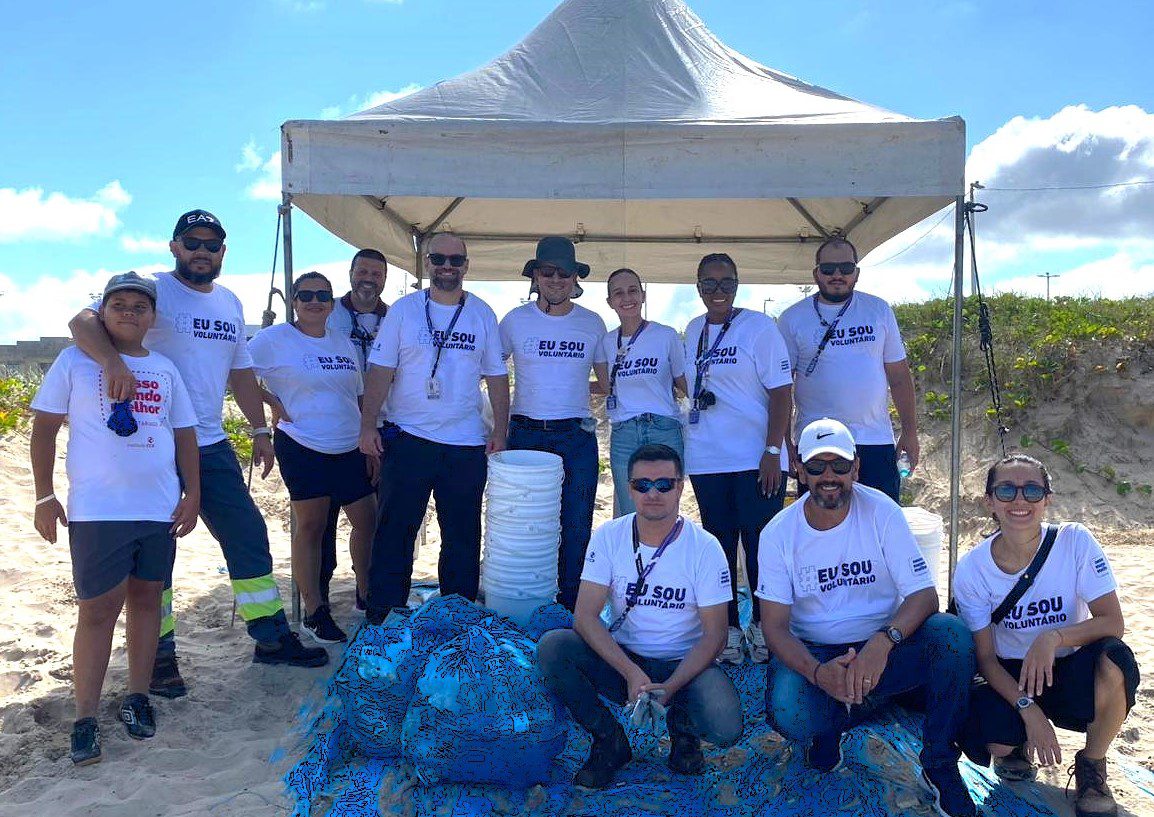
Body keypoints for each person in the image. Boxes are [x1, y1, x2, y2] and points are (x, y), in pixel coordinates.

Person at [68, 209, 328, 701]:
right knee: (159, 556)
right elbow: (82, 319)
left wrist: (258, 429)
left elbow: (242, 372)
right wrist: (111, 360)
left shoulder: (230, 301)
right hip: (151, 446)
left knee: (248, 534)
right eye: (192, 242)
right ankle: (160, 657)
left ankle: (270, 638)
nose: (201, 251)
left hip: (209, 442)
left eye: (212, 244)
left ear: (223, 253)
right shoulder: (154, 289)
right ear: (174, 246)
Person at [757, 418, 977, 817]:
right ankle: (836, 721)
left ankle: (939, 762)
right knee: (790, 710)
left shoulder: (882, 511)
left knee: (953, 635)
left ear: (856, 468)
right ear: (800, 470)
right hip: (820, 651)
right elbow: (773, 626)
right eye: (818, 465)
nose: (829, 476)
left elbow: (924, 595)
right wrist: (817, 673)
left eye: (840, 466)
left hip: (886, 643)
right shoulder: (777, 533)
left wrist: (883, 641)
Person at [31, 272, 200, 765]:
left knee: (148, 600)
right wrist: (44, 496)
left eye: (139, 306)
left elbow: (185, 434)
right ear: (102, 312)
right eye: (118, 304)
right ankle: (85, 717)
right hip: (98, 510)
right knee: (98, 609)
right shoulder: (74, 361)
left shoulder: (165, 368)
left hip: (157, 506)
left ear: (153, 317)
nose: (129, 312)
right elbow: (43, 431)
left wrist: (192, 494)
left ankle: (138, 697)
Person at [537, 444, 742, 789]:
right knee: (553, 648)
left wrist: (672, 686)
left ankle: (683, 729)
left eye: (664, 484)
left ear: (680, 487)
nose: (653, 494)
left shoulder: (704, 547)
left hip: (684, 664)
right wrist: (630, 672)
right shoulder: (608, 536)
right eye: (642, 485)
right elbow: (585, 617)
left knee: (726, 726)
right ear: (628, 488)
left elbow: (716, 636)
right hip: (626, 660)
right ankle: (609, 740)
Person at [953, 454, 1140, 817]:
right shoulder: (972, 569)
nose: (1019, 501)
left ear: (1047, 498)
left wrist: (1053, 637)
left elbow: (1112, 621)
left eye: (1032, 490)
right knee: (996, 740)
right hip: (1011, 673)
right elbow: (986, 658)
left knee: (1116, 658)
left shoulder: (1075, 542)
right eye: (1006, 490)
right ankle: (1018, 745)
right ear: (989, 501)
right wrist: (1028, 709)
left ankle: (1092, 764)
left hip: (1067, 665)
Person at [359, 233, 509, 623]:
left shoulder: (482, 313)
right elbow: (380, 370)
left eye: (455, 260)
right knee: (395, 530)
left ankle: (457, 615)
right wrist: (367, 426)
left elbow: (497, 376)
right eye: (439, 258)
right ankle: (382, 615)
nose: (447, 266)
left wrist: (501, 432)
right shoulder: (405, 311)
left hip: (464, 443)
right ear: (427, 263)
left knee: (461, 535)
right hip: (408, 437)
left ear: (466, 265)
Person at [249, 272, 376, 644]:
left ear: (333, 302)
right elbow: (237, 373)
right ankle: (315, 611)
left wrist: (368, 439)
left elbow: (358, 396)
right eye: (305, 295)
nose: (314, 301)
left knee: (368, 521)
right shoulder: (273, 340)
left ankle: (366, 598)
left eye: (322, 295)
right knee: (311, 528)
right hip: (303, 444)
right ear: (293, 300)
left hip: (349, 445)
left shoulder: (343, 343)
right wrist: (271, 404)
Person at [682, 252, 791, 664]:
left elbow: (782, 391)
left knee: (762, 546)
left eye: (726, 282)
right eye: (709, 284)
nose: (718, 291)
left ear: (738, 284)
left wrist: (772, 450)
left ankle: (765, 628)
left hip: (756, 458)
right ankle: (726, 629)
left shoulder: (759, 328)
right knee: (720, 546)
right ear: (697, 287)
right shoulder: (692, 330)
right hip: (708, 459)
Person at [500, 236, 608, 611]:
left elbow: (608, 382)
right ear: (536, 277)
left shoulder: (593, 323)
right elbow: (490, 371)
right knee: (526, 525)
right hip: (525, 433)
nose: (557, 279)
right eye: (548, 272)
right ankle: (526, 602)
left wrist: (570, 385)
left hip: (576, 435)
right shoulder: (514, 320)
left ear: (576, 277)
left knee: (576, 524)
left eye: (566, 272)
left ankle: (570, 606)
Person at [776, 236, 918, 502]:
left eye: (846, 268)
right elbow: (783, 387)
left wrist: (910, 432)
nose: (837, 275)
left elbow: (898, 376)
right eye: (828, 269)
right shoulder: (792, 318)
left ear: (857, 273)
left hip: (874, 440)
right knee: (824, 525)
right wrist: (786, 443)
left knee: (879, 525)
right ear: (816, 273)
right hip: (818, 440)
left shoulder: (878, 310)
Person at [316, 248, 390, 611]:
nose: (369, 279)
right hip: (328, 429)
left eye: (377, 274)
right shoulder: (326, 312)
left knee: (371, 517)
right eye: (363, 271)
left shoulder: (394, 318)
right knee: (321, 521)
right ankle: (318, 599)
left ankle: (365, 591)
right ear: (350, 273)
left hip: (378, 428)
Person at [599, 268, 687, 517]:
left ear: (643, 295)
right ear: (610, 302)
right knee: (630, 511)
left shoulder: (665, 335)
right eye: (618, 293)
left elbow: (683, 382)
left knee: (666, 508)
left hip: (664, 429)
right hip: (624, 432)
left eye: (632, 291)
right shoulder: (606, 342)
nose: (627, 298)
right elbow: (607, 386)